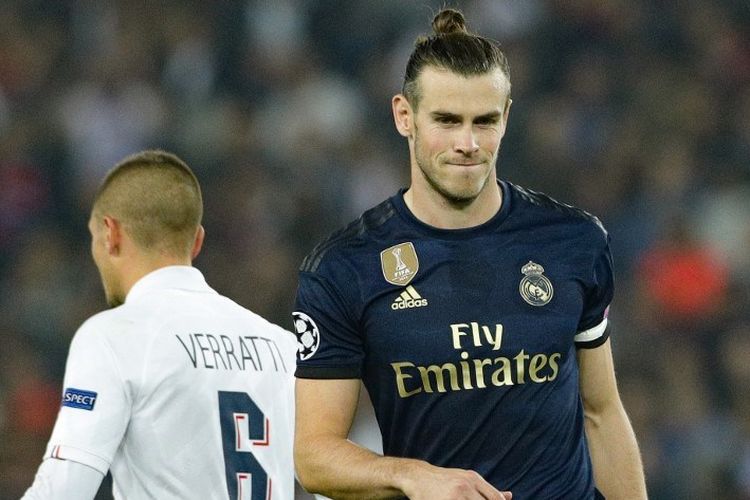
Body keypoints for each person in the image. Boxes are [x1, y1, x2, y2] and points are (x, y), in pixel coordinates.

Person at [292, 8, 647, 500]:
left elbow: (602, 412)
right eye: (446, 120)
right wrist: (415, 476)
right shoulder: (344, 268)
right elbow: (314, 457)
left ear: (506, 117)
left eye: (484, 121)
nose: (468, 143)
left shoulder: (574, 241)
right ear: (404, 116)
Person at [22, 150, 297, 499]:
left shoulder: (111, 336)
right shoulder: (282, 345)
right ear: (196, 241)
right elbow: (332, 479)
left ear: (110, 234)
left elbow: (64, 488)